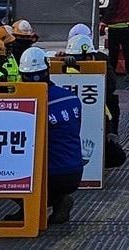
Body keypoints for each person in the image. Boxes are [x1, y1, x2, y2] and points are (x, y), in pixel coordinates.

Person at [19, 46, 83, 226]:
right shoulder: (71, 98)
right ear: (47, 71)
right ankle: (59, 199)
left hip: (50, 175)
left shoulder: (29, 106)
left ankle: (34, 206)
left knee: (3, 167)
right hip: (75, 171)